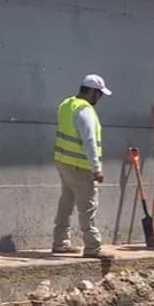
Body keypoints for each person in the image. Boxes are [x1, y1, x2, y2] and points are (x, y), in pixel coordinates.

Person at [52, 74, 111, 258]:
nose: (99, 98)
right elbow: (89, 141)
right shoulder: (85, 111)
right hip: (79, 165)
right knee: (88, 205)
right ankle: (93, 247)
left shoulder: (66, 104)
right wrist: (97, 168)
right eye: (99, 94)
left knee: (66, 201)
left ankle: (60, 242)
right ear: (93, 92)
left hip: (63, 161)